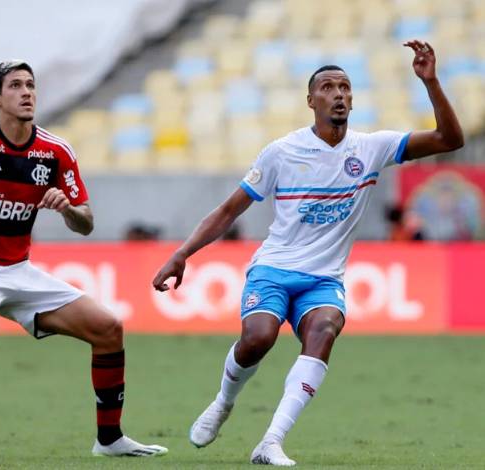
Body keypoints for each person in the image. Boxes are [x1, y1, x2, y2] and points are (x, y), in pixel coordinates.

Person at [153, 40, 462, 466]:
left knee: (324, 331)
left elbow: (450, 139)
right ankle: (223, 402)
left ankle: (271, 442)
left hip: (324, 279)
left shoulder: (371, 148)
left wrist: (430, 82)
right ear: (311, 100)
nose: (338, 94)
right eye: (329, 87)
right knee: (258, 339)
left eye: (346, 87)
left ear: (352, 99)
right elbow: (229, 210)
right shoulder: (282, 152)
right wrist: (182, 253)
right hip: (274, 269)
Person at [0, 61, 168, 461]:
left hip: (19, 270)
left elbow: (86, 223)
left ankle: (110, 439)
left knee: (109, 328)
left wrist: (67, 209)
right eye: (15, 86)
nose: (27, 92)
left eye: (30, 85)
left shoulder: (56, 151)